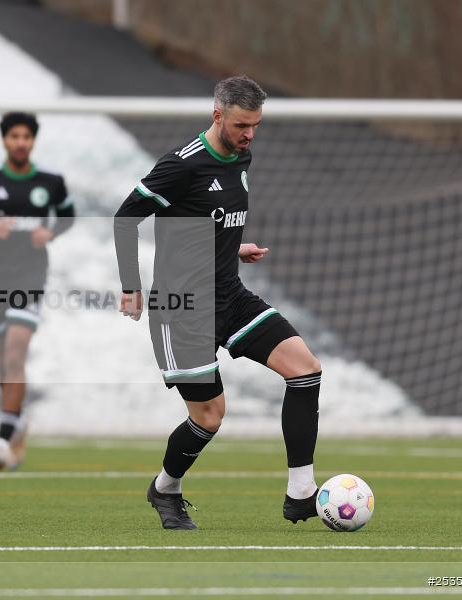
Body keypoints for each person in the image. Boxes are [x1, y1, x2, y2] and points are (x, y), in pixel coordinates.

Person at [113, 75, 322, 530]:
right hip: (181, 307)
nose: (249, 134)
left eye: (256, 125)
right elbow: (127, 216)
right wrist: (130, 284)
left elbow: (210, 216)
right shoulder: (181, 164)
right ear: (217, 115)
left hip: (229, 295)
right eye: (242, 125)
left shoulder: (241, 155)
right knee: (209, 417)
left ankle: (301, 493)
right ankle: (165, 487)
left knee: (305, 369)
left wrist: (233, 245)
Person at [0, 112, 75, 470]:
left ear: (33, 141)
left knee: (15, 350)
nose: (21, 142)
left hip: (31, 274)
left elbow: (69, 215)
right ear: (4, 140)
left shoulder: (51, 182)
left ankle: (1, 438)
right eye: (14, 136)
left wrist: (52, 233)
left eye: (27, 136)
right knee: (2, 359)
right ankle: (17, 421)